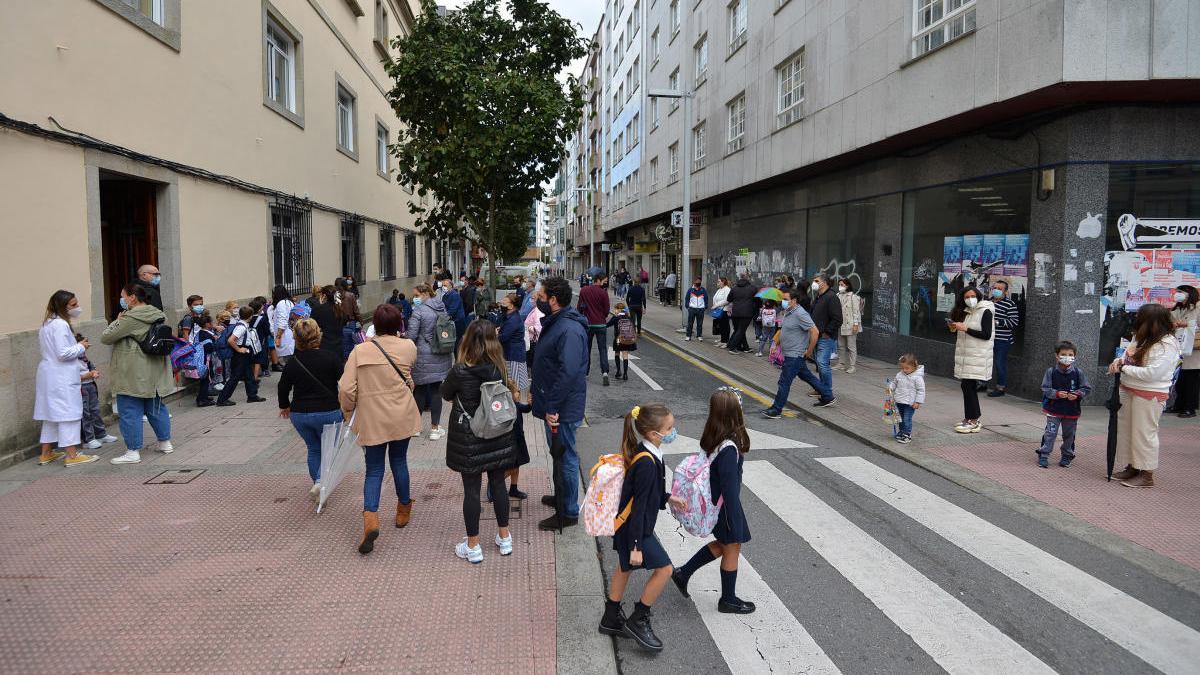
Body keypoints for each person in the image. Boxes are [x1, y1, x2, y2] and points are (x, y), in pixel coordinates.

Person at [599, 403, 687, 652]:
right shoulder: (648, 462)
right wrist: (637, 545)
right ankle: (639, 619)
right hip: (634, 529)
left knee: (624, 567)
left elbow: (647, 492)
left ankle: (611, 618)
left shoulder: (646, 452)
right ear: (653, 434)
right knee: (665, 569)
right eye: (669, 428)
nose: (673, 431)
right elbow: (639, 508)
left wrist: (668, 497)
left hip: (627, 526)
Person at [339, 304, 421, 554]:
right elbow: (408, 374)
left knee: (374, 469)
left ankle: (371, 519)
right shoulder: (408, 346)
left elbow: (346, 389)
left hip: (372, 416)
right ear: (398, 324)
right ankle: (403, 509)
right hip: (400, 413)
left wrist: (348, 412)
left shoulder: (359, 351)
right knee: (399, 461)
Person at [440, 320, 519, 563]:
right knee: (498, 485)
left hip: (469, 437)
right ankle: (504, 538)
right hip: (498, 434)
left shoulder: (460, 370)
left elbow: (445, 394)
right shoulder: (499, 368)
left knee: (472, 490)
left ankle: (473, 546)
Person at [671, 388, 755, 614]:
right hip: (726, 507)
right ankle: (728, 599)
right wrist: (734, 518)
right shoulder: (728, 448)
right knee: (732, 546)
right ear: (735, 414)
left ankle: (683, 573)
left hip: (718, 505)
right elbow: (729, 488)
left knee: (724, 545)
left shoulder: (713, 437)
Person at [531, 276, 589, 531]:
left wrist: (552, 406)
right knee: (559, 455)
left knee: (565, 458)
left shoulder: (569, 329)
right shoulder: (558, 322)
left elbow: (569, 372)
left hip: (562, 408)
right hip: (554, 403)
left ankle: (567, 512)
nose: (537, 301)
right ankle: (562, 497)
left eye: (541, 297)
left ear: (553, 300)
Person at [1109, 304, 1182, 488]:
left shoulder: (1167, 344)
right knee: (1126, 431)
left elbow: (1153, 374)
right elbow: (1126, 355)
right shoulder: (1140, 337)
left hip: (1150, 394)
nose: (1136, 320)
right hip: (1128, 388)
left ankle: (1146, 474)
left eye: (1140, 318)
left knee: (1144, 433)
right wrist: (1119, 361)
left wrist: (1124, 368)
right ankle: (1132, 466)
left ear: (1151, 322)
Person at [102, 284, 174, 464]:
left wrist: (117, 320)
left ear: (132, 298)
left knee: (129, 411)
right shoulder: (156, 314)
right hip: (154, 372)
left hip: (133, 372)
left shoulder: (130, 318)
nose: (121, 300)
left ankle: (133, 451)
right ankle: (165, 443)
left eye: (123, 296)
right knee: (156, 408)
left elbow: (106, 337)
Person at [278, 318, 344, 499]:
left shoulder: (293, 362)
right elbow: (345, 383)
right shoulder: (330, 357)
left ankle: (317, 481)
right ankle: (321, 481)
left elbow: (283, 386)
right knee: (330, 448)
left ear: (296, 338)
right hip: (328, 411)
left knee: (314, 448)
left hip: (300, 413)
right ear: (318, 334)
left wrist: (284, 405)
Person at [34, 291, 99, 467]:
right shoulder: (61, 325)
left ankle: (46, 453)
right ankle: (71, 455)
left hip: (49, 375)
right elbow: (63, 353)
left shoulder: (47, 324)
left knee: (51, 415)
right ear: (63, 306)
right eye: (73, 305)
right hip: (61, 375)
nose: (77, 308)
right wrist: (81, 346)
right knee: (68, 414)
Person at [761, 289, 821, 419]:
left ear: (794, 300)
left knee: (784, 382)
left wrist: (809, 351)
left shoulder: (801, 313)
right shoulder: (788, 312)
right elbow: (784, 330)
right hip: (790, 353)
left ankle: (776, 409)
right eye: (782, 299)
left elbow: (815, 332)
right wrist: (775, 343)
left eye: (786, 299)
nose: (783, 302)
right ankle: (827, 395)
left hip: (795, 354)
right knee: (807, 377)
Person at [496, 293, 531, 500]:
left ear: (513, 305)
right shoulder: (510, 317)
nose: (502, 303)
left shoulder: (514, 319)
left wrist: (496, 332)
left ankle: (506, 486)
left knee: (514, 387)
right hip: (511, 357)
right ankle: (507, 486)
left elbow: (502, 337)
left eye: (505, 302)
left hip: (513, 358)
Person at [1036, 341, 1092, 468]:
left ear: (1074, 356)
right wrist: (1056, 394)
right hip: (1054, 410)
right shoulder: (1051, 372)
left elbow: (1086, 388)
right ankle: (1044, 454)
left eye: (1070, 354)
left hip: (1072, 411)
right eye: (1063, 354)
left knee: (1069, 435)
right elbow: (1045, 388)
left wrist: (1077, 394)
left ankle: (1067, 456)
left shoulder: (1078, 373)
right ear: (1057, 355)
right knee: (1050, 433)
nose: (1067, 357)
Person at [948, 287, 995, 433]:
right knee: (967, 387)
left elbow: (986, 335)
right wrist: (955, 327)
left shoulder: (985, 310)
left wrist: (965, 328)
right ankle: (970, 418)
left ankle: (974, 420)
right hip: (967, 355)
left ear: (978, 296)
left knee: (968, 387)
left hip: (978, 355)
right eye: (967, 297)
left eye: (973, 296)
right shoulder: (968, 311)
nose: (970, 299)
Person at [409, 283, 452, 440]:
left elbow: (412, 335)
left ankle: (416, 427)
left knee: (419, 390)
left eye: (416, 295)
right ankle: (435, 428)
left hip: (423, 354)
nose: (414, 299)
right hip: (441, 353)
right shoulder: (441, 307)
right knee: (436, 391)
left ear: (425, 293)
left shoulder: (418, 311)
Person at [215, 306, 268, 407]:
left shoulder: (243, 324)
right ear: (250, 316)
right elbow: (231, 340)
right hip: (240, 354)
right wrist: (239, 349)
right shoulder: (241, 327)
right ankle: (222, 399)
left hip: (244, 354)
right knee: (235, 377)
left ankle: (252, 395)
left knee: (249, 375)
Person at [75, 332, 119, 450]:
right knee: (85, 413)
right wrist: (89, 374)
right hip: (81, 388)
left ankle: (101, 434)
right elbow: (72, 376)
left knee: (95, 411)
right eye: (85, 342)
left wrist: (94, 371)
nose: (88, 345)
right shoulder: (72, 359)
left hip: (90, 386)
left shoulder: (84, 358)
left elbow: (91, 366)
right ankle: (88, 439)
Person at [808, 274, 842, 407]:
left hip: (825, 337)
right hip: (815, 335)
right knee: (819, 363)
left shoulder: (831, 297)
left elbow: (838, 318)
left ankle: (827, 392)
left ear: (825, 283)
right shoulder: (818, 297)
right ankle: (821, 389)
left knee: (822, 364)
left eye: (816, 281)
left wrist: (827, 332)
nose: (814, 283)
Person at [1169, 285, 1199, 418]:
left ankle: (1190, 408)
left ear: (1189, 294)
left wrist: (1186, 325)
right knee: (1179, 380)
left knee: (1190, 380)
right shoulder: (1178, 308)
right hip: (1178, 348)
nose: (1177, 294)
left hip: (1193, 351)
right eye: (1177, 292)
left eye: (1180, 292)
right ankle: (1178, 405)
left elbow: (1195, 325)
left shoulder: (1198, 308)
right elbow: (1169, 321)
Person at [987, 280, 1021, 397]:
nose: (996, 290)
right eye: (995, 287)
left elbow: (1014, 322)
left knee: (999, 363)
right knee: (986, 362)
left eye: (1000, 289)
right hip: (987, 337)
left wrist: (997, 322)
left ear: (1005, 291)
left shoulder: (1010, 304)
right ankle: (981, 383)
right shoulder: (987, 302)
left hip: (1002, 340)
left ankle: (1000, 388)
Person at [579, 273, 612, 386]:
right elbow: (607, 310)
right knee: (602, 349)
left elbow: (579, 307)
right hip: (601, 325)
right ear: (598, 280)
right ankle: (605, 373)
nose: (605, 283)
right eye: (604, 281)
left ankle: (585, 373)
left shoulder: (584, 290)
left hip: (587, 324)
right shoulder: (603, 293)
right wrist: (602, 316)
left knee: (586, 349)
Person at [891, 354, 926, 444]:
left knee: (907, 419)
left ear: (914, 367)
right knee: (900, 418)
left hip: (910, 403)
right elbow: (895, 383)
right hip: (899, 400)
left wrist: (918, 402)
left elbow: (921, 390)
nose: (904, 370)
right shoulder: (900, 374)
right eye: (902, 368)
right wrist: (890, 387)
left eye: (907, 368)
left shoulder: (917, 378)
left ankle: (907, 434)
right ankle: (902, 431)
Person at [835, 279, 863, 374]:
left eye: (842, 284)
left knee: (851, 346)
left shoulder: (853, 297)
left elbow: (856, 312)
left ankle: (852, 366)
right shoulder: (837, 295)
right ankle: (841, 364)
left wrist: (856, 324)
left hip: (850, 325)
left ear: (847, 285)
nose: (840, 286)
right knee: (841, 345)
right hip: (840, 325)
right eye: (839, 284)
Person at [726, 274, 757, 354]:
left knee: (738, 330)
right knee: (741, 330)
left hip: (735, 312)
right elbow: (758, 300)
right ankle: (732, 348)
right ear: (748, 279)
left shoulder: (734, 288)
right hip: (747, 313)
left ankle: (745, 347)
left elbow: (729, 299)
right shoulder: (753, 288)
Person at [310, 286, 345, 356]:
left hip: (324, 346)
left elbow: (313, 326)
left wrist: (319, 304)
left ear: (324, 296)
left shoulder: (318, 309)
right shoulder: (340, 309)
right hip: (339, 346)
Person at [607, 301, 637, 380]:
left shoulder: (616, 317)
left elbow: (607, 325)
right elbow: (633, 327)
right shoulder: (629, 317)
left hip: (618, 339)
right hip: (628, 339)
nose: (615, 311)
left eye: (615, 309)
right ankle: (625, 374)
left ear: (618, 309)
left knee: (617, 353)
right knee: (625, 355)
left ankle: (618, 371)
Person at [272, 285, 296, 370]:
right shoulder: (289, 302)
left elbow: (282, 322)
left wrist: (278, 337)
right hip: (290, 335)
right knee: (292, 361)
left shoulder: (281, 304)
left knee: (289, 363)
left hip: (285, 336)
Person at [338, 292, 363, 362]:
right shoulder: (351, 295)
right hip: (351, 323)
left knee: (345, 344)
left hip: (343, 323)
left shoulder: (337, 296)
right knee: (351, 343)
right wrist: (360, 322)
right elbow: (356, 311)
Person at [684, 278, 708, 342]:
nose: (698, 283)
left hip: (700, 309)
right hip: (692, 309)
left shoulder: (703, 290)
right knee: (690, 323)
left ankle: (699, 335)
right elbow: (687, 299)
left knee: (700, 324)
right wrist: (687, 307)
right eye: (696, 282)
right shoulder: (690, 290)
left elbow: (706, 299)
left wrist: (705, 307)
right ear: (694, 283)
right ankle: (688, 336)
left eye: (699, 282)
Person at [710, 276, 731, 347]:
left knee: (725, 326)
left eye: (719, 281)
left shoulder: (727, 289)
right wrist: (715, 305)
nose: (717, 283)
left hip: (724, 310)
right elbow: (715, 298)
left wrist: (716, 305)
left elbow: (726, 300)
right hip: (718, 310)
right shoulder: (719, 289)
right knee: (721, 327)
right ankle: (722, 340)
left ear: (723, 282)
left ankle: (726, 342)